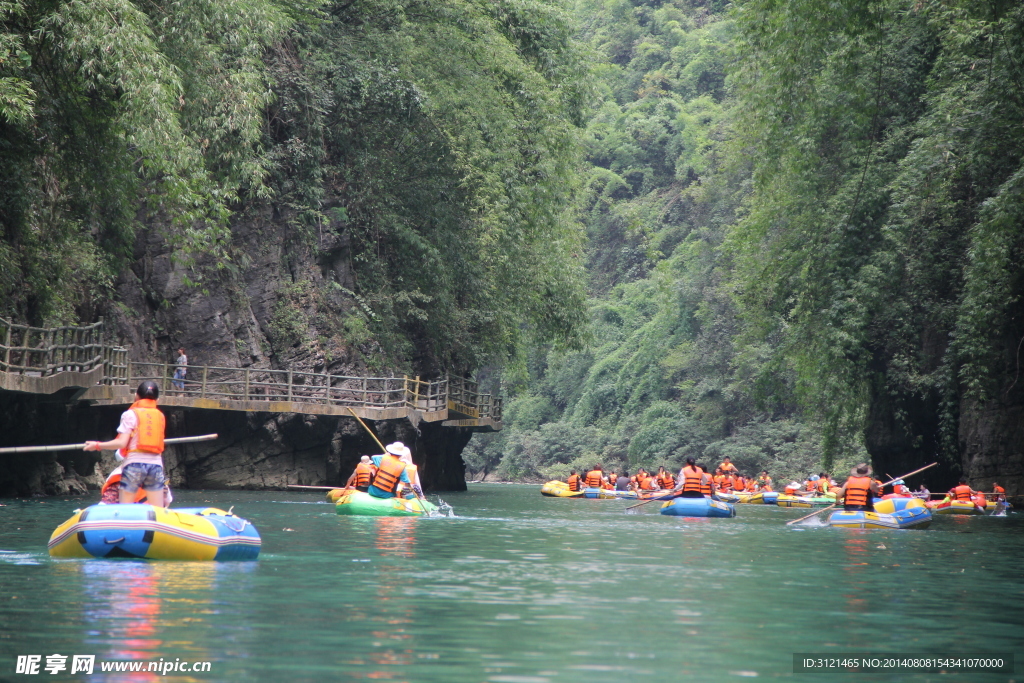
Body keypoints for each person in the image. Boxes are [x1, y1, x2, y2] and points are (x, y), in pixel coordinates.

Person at [84, 380, 168, 508]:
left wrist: (97, 445)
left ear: (136, 396)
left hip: (134, 465)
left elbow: (121, 443)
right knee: (158, 510)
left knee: (125, 509)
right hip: (155, 466)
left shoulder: (130, 414)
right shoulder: (160, 416)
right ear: (157, 398)